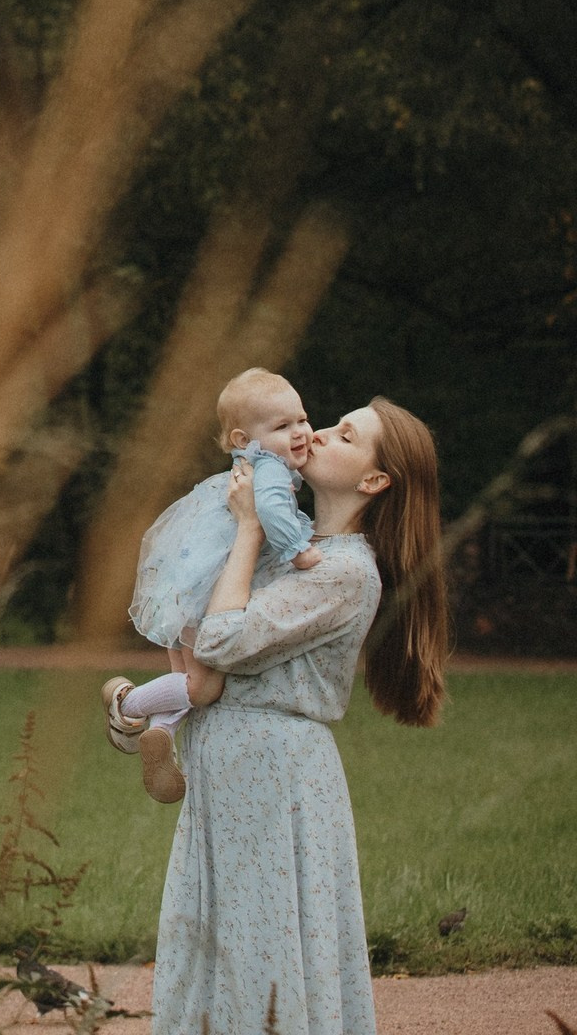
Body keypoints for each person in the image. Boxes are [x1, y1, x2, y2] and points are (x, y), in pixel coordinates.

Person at [116, 396, 449, 1035]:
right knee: (214, 935)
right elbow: (200, 627)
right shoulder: (292, 544)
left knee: (259, 943)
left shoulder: (345, 571)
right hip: (236, 761)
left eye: (345, 435)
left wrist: (245, 530)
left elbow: (219, 643)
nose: (317, 434)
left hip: (271, 770)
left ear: (374, 480)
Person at [102, 368, 322, 802]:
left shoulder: (246, 467)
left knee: (184, 678)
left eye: (301, 419)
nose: (300, 432)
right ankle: (126, 705)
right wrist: (300, 551)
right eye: (282, 426)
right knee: (204, 688)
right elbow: (275, 516)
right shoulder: (271, 472)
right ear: (244, 439)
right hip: (207, 596)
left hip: (184, 587)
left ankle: (161, 732)